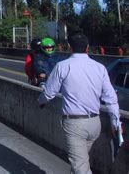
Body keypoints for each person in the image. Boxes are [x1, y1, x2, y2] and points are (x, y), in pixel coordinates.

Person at [38, 33, 120, 174]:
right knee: (80, 162)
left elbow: (49, 93)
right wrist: (115, 123)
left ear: (69, 47)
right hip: (95, 123)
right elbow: (111, 99)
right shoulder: (100, 68)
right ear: (88, 48)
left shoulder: (62, 66)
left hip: (75, 125)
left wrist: (40, 101)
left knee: (80, 167)